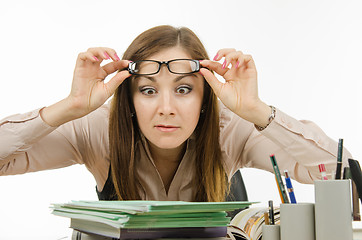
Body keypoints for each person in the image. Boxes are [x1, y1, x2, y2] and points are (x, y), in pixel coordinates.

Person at [0, 25, 351, 202]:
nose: (166, 108)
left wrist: (258, 111)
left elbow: (341, 174)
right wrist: (69, 106)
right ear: (129, 99)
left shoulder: (232, 129)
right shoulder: (97, 130)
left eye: (183, 90)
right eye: (148, 90)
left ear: (204, 97)